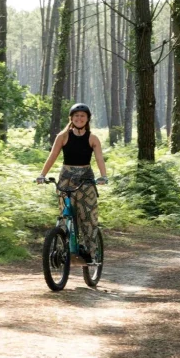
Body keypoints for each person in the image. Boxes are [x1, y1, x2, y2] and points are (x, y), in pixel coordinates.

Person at [37, 103, 107, 263]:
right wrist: (42, 174)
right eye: (76, 116)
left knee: (88, 216)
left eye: (83, 116)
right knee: (65, 214)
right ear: (71, 118)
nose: (79, 118)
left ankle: (91, 253)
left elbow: (99, 158)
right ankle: (63, 248)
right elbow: (53, 156)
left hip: (86, 179)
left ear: (87, 119)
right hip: (66, 178)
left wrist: (103, 176)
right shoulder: (62, 136)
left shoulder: (92, 138)